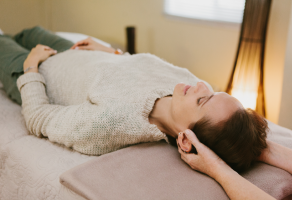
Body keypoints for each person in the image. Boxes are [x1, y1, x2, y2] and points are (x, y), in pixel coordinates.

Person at [0, 26, 266, 172]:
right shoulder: (182, 82)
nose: (198, 85)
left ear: (185, 140)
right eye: (211, 90)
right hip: (78, 53)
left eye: (202, 101)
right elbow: (137, 66)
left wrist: (31, 67)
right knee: (28, 31)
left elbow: (38, 117)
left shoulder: (114, 122)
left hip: (43, 70)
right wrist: (111, 52)